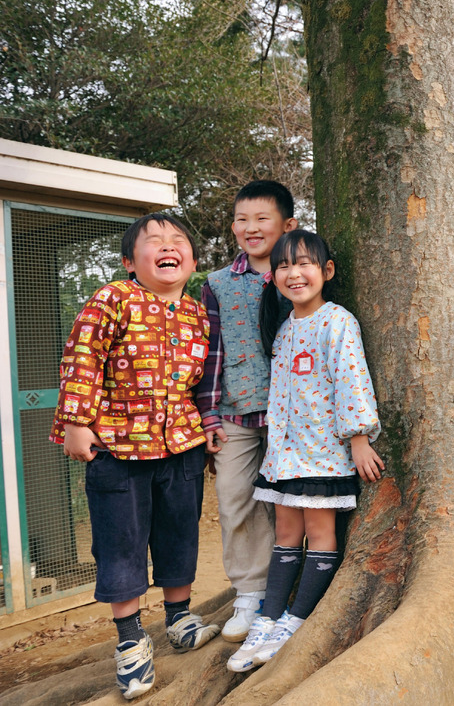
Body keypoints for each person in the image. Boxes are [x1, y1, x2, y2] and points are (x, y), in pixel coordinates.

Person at [51, 212, 221, 700]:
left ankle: (179, 619)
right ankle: (130, 642)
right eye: (154, 241)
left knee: (179, 534)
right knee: (120, 544)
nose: (168, 246)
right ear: (130, 261)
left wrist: (208, 426)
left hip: (181, 446)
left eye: (178, 240)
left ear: (192, 261)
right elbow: (82, 358)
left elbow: (204, 381)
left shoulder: (197, 315)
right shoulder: (112, 299)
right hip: (117, 448)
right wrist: (76, 422)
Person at [227, 230, 383, 673]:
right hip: (284, 456)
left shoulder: (338, 321)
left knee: (319, 532)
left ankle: (294, 622)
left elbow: (352, 378)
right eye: (284, 266)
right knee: (285, 534)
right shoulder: (282, 329)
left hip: (323, 453)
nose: (293, 274)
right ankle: (267, 620)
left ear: (326, 270)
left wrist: (358, 438)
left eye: (303, 264)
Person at [194, 180, 297, 641]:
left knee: (292, 501)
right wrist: (208, 414)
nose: (251, 228)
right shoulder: (217, 283)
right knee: (235, 499)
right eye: (242, 219)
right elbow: (210, 353)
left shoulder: (298, 273)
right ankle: (250, 592)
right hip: (234, 415)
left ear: (287, 225)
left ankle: (290, 588)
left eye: (262, 219)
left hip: (292, 413)